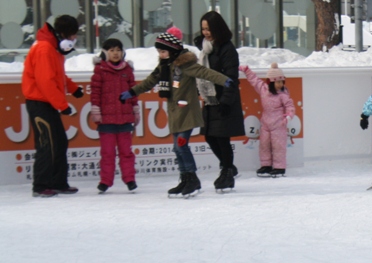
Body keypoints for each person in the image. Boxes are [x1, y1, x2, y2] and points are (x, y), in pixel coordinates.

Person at [122, 27, 234, 198]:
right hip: (175, 114)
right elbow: (150, 81)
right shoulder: (164, 66)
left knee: (181, 145)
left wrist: (224, 79)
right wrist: (132, 92)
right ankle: (185, 178)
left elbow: (205, 72)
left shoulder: (186, 65)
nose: (160, 54)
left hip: (187, 113)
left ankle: (192, 179)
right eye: (159, 51)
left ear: (173, 51)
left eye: (163, 51)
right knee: (177, 148)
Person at [22, 14, 83, 198]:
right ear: (63, 34)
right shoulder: (44, 49)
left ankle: (58, 182)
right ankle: (40, 185)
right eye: (72, 35)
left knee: (59, 142)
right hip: (39, 103)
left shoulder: (54, 49)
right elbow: (45, 81)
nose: (73, 39)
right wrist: (63, 105)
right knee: (46, 144)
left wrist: (73, 89)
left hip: (48, 104)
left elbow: (58, 77)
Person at [194, 11, 244, 192]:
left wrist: (225, 102)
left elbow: (231, 76)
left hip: (223, 100)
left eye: (208, 28)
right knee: (209, 136)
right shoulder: (206, 48)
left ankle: (227, 173)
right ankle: (228, 166)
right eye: (203, 29)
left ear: (217, 28)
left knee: (222, 139)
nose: (205, 32)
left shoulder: (227, 49)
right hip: (210, 99)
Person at [90, 38, 139, 194]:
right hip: (107, 120)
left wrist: (135, 109)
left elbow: (133, 91)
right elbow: (95, 92)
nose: (115, 53)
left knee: (126, 152)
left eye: (118, 50)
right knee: (108, 153)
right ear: (105, 53)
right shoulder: (100, 70)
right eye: (111, 50)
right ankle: (105, 181)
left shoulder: (127, 70)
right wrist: (96, 109)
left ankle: (130, 179)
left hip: (124, 119)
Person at [239, 63, 296, 178]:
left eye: (282, 82)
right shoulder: (263, 89)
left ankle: (279, 167)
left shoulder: (283, 94)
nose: (280, 84)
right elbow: (254, 80)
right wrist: (246, 70)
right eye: (277, 82)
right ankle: (266, 165)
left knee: (278, 146)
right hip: (265, 123)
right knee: (264, 145)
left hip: (278, 124)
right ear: (270, 82)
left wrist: (289, 116)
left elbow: (290, 106)